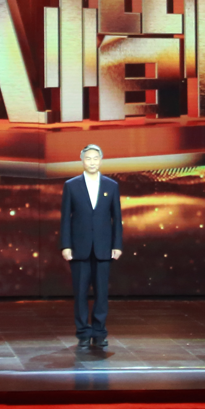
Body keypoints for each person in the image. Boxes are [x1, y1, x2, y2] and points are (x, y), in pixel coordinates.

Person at [61, 144, 122, 349]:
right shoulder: (71, 185)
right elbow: (65, 218)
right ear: (82, 160)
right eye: (88, 158)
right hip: (79, 248)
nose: (92, 162)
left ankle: (99, 332)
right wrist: (66, 245)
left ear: (101, 160)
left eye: (96, 158)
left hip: (104, 247)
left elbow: (117, 218)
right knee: (80, 293)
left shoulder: (111, 186)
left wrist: (117, 245)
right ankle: (83, 333)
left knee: (101, 293)